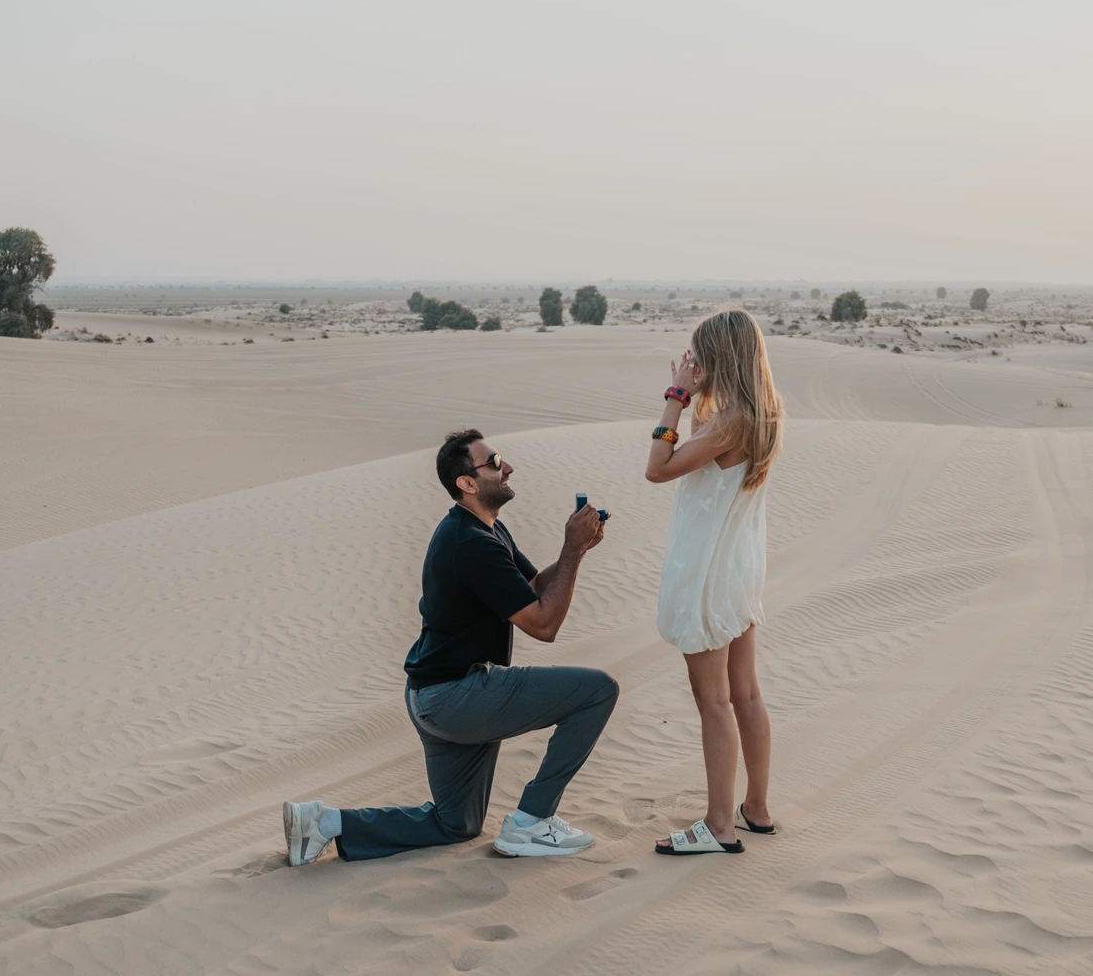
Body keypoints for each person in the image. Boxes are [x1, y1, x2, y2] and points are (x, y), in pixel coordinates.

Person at [283, 429, 617, 864]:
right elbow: (544, 624)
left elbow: (532, 589)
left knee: (455, 823)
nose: (508, 466)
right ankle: (533, 821)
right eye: (495, 461)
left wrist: (578, 550)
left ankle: (325, 823)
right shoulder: (472, 543)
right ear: (468, 483)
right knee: (598, 692)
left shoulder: (482, 530)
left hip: (432, 696)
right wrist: (571, 552)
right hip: (458, 695)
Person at [645, 308, 783, 855]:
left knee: (715, 701)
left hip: (706, 573)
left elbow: (658, 467)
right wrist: (698, 394)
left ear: (718, 358)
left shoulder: (730, 422)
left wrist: (675, 395)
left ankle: (719, 825)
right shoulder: (761, 414)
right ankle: (757, 808)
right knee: (745, 693)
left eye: (700, 353)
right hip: (737, 571)